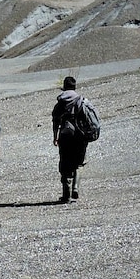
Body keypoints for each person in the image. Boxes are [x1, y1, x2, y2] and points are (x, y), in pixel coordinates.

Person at [52, 75, 88, 203]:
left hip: (65, 134)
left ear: (64, 87)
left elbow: (55, 120)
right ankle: (76, 188)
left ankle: (66, 195)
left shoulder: (60, 102)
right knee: (79, 162)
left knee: (65, 162)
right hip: (79, 135)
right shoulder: (80, 100)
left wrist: (55, 136)